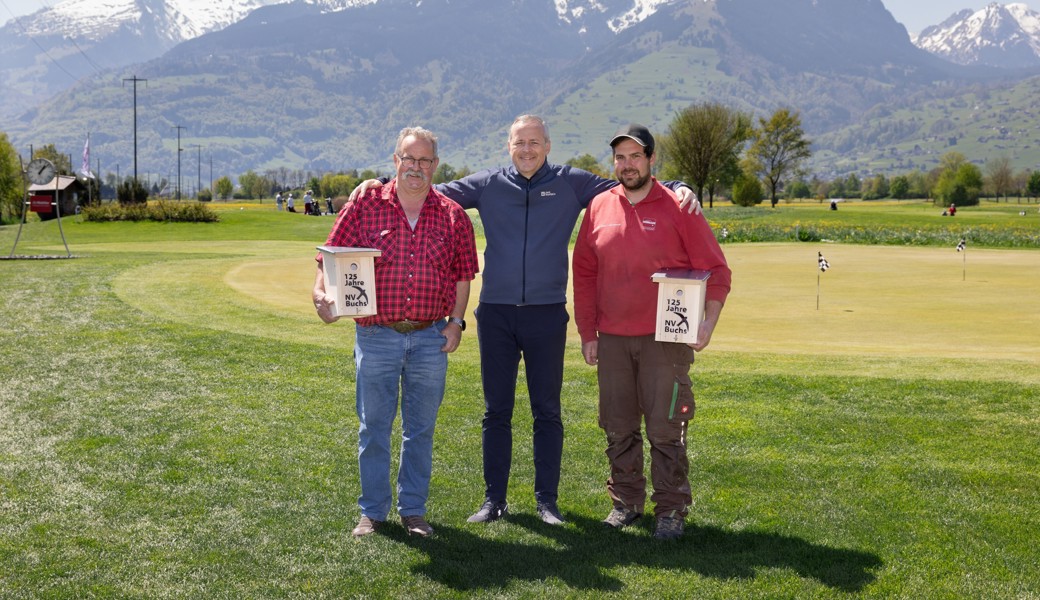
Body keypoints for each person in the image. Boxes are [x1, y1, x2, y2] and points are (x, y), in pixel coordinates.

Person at [350, 115, 699, 526]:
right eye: (520, 143)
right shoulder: (488, 183)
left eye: (535, 142)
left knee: (547, 412)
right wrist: (375, 184)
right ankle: (494, 500)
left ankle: (546, 502)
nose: (528, 149)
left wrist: (677, 186)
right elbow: (423, 186)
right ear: (509, 147)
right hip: (496, 314)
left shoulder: (572, 182)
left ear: (548, 146)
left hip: (547, 314)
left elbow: (631, 181)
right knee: (496, 412)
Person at [313, 126, 479, 538]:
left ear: (435, 166)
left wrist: (456, 323)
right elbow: (329, 259)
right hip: (376, 335)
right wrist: (321, 295)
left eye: (425, 161)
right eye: (410, 159)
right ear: (396, 161)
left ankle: (413, 510)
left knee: (419, 429)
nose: (417, 168)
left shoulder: (453, 215)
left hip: (429, 337)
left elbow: (463, 276)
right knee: (374, 427)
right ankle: (372, 510)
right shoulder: (366, 204)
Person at [572, 124, 731, 540]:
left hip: (667, 339)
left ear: (651, 159)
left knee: (665, 429)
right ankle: (626, 503)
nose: (627, 165)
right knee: (618, 426)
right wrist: (588, 332)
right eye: (620, 158)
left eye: (635, 156)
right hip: (613, 339)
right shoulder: (599, 207)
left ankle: (671, 510)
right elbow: (584, 274)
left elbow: (718, 271)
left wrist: (708, 323)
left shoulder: (680, 207)